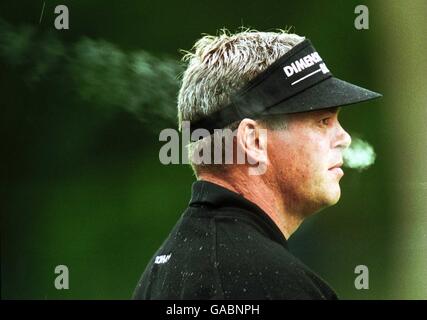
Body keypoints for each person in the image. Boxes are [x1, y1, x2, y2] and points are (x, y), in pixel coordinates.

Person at [133, 29, 381, 299]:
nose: (344, 138)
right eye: (323, 121)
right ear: (252, 141)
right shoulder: (269, 284)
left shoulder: (161, 273)